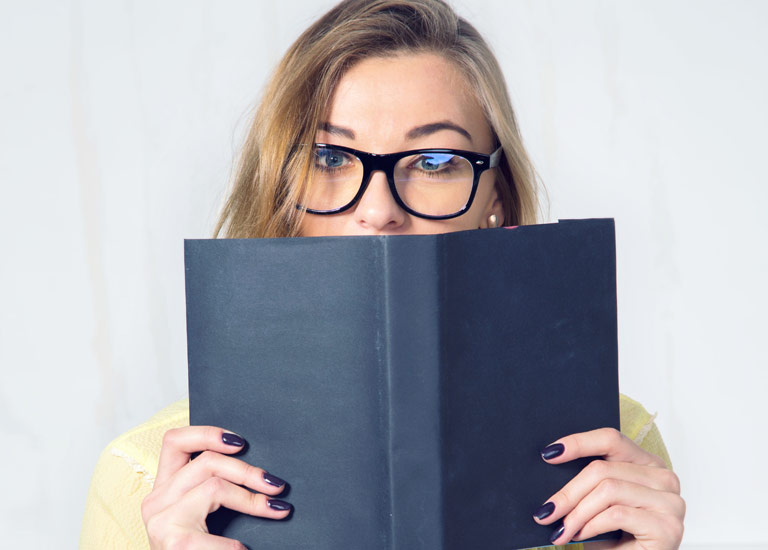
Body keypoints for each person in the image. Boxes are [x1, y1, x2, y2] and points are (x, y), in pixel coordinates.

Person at [79, 1, 685, 549]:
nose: (378, 210)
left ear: (495, 194)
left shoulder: (613, 454)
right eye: (330, 158)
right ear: (281, 189)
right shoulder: (149, 484)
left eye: (436, 161)